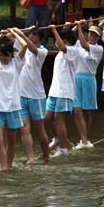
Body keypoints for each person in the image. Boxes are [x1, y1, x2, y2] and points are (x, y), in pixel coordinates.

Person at [0, 30, 26, 170]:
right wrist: (0, 36)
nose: (2, 58)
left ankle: (8, 165)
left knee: (11, 140)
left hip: (13, 107)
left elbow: (25, 45)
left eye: (5, 55)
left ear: (11, 55)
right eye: (0, 55)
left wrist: (14, 33)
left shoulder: (16, 63)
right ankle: (4, 167)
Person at [13, 27, 49, 163]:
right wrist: (11, 32)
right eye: (30, 34)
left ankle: (46, 156)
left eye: (34, 34)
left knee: (40, 129)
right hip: (21, 95)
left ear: (40, 38)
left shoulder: (42, 51)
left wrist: (21, 34)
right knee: (24, 129)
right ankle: (31, 158)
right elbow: (15, 40)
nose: (31, 36)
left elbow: (32, 48)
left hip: (36, 96)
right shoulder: (24, 46)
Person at [45, 26, 80, 156]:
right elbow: (62, 42)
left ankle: (63, 149)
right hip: (54, 90)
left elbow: (62, 46)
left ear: (66, 40)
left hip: (65, 91)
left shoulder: (73, 50)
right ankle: (57, 138)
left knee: (59, 118)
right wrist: (71, 27)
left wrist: (54, 31)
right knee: (47, 118)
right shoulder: (61, 52)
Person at [72, 21, 103, 149]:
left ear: (98, 38)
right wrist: (76, 25)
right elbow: (73, 32)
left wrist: (79, 27)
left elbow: (84, 44)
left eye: (95, 35)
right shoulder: (79, 42)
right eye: (90, 34)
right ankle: (84, 140)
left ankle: (83, 139)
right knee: (77, 110)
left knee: (86, 111)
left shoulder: (98, 49)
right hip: (76, 78)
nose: (92, 36)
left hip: (89, 79)